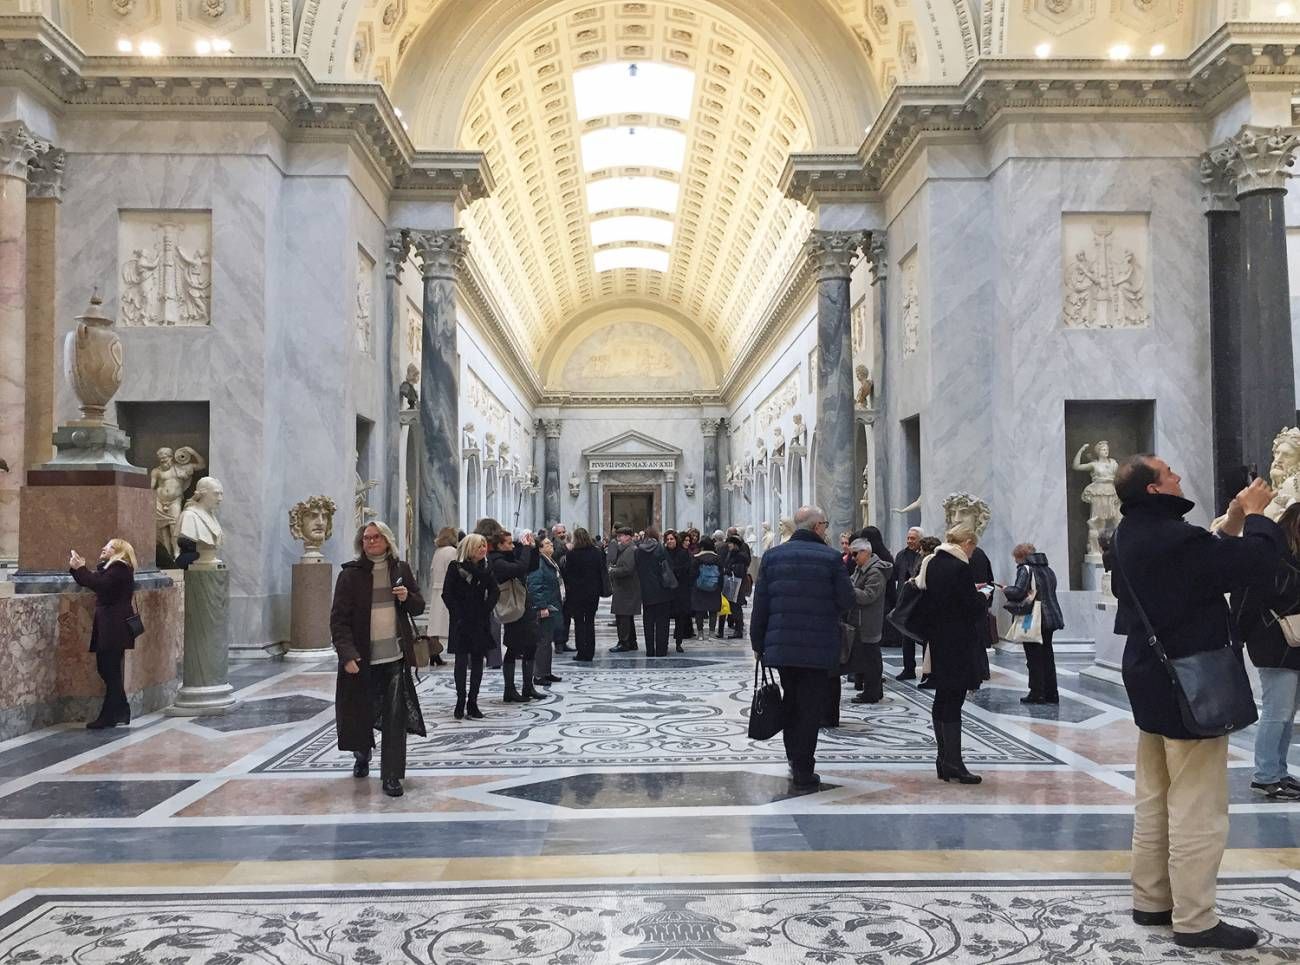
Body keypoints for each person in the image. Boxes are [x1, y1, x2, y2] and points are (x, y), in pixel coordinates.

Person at [1112, 455, 1281, 950]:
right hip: (1189, 680)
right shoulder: (1172, 538)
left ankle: (1152, 901)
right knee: (1198, 806)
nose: (1179, 477)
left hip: (1150, 676)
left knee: (1154, 797)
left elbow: (1203, 563)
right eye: (1168, 474)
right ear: (1153, 490)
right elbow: (1254, 564)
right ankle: (1196, 919)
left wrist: (1229, 524)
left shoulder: (1133, 534)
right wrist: (1257, 518)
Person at [750, 505, 855, 789]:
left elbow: (761, 604)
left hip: (783, 647)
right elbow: (847, 601)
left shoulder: (772, 557)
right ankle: (803, 768)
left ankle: (793, 757)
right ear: (818, 526)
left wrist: (757, 643)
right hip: (818, 646)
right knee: (809, 707)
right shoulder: (832, 559)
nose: (826, 529)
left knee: (792, 699)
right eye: (825, 524)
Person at [330, 521, 426, 798]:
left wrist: (408, 597)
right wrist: (346, 654)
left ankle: (392, 776)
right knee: (359, 714)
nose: (370, 542)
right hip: (361, 658)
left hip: (394, 657)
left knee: (395, 717)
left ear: (387, 540)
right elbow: (339, 620)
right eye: (366, 538)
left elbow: (417, 606)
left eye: (376, 537)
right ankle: (362, 754)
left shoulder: (401, 569)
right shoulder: (350, 575)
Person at [1234, 502, 1300, 800]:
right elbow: (1280, 593)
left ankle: (1279, 771)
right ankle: (1265, 775)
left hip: (1290, 644)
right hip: (1274, 643)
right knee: (1277, 711)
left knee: (1287, 713)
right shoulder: (1275, 559)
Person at [919, 524, 992, 785]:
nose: (973, 552)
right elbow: (970, 607)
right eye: (973, 547)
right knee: (954, 700)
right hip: (958, 642)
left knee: (942, 697)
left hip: (938, 641)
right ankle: (954, 762)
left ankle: (944, 760)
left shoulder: (933, 562)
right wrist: (983, 596)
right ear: (967, 543)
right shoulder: (959, 567)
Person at [68, 539, 139, 729]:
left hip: (114, 626)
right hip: (111, 625)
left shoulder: (119, 568)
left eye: (108, 546)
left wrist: (82, 568)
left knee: (108, 668)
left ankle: (110, 716)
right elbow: (91, 581)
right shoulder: (113, 568)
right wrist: (77, 568)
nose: (103, 548)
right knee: (110, 669)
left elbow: (98, 583)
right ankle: (121, 710)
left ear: (118, 551)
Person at [442, 533, 499, 720]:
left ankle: (473, 701)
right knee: (460, 661)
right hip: (461, 620)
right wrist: (457, 613)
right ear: (469, 549)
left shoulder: (486, 568)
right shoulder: (456, 567)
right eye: (479, 546)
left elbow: (494, 591)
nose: (483, 549)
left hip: (479, 619)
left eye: (484, 546)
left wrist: (486, 609)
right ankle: (460, 700)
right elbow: (447, 594)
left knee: (477, 661)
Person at [1002, 542, 1064, 704]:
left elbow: (1019, 591)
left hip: (1033, 618)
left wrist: (1006, 589)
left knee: (1034, 657)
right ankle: (1052, 693)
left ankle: (1037, 693)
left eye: (1016, 559)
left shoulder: (1026, 569)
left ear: (1022, 557)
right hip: (1051, 617)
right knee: (1047, 656)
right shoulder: (1048, 569)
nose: (1016, 562)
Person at [488, 528, 542, 702]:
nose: (513, 546)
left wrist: (532, 547)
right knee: (514, 647)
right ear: (499, 545)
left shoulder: (509, 555)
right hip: (513, 608)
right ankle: (509, 689)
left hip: (524, 605)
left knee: (531, 644)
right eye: (509, 543)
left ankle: (528, 686)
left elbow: (531, 566)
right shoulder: (496, 561)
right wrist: (525, 549)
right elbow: (519, 568)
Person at [848, 536, 892, 706]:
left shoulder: (875, 571)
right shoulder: (862, 568)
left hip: (868, 621)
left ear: (865, 552)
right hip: (860, 620)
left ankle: (872, 692)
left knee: (872, 659)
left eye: (855, 554)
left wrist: (850, 590)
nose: (853, 558)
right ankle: (872, 690)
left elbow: (869, 596)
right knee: (866, 658)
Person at [562, 527, 606, 662]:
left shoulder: (572, 554)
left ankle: (582, 651)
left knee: (579, 623)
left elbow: (567, 575)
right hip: (592, 593)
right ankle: (590, 651)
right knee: (590, 622)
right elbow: (601, 572)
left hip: (576, 594)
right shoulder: (596, 553)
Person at [527, 537, 564, 686]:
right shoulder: (539, 563)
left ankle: (546, 671)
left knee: (548, 641)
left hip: (552, 604)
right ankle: (538, 674)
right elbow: (535, 586)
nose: (551, 545)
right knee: (542, 641)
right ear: (540, 548)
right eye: (547, 543)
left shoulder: (549, 561)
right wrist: (542, 606)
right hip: (545, 606)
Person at [634, 526, 675, 657]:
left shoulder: (638, 551)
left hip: (647, 591)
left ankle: (650, 650)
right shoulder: (661, 549)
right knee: (663, 622)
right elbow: (669, 567)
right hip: (663, 591)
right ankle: (661, 650)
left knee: (648, 622)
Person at [894, 527, 925, 680]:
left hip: (921, 601)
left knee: (926, 637)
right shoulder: (901, 555)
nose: (909, 541)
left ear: (920, 540)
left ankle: (928, 670)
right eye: (908, 538)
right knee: (906, 637)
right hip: (905, 600)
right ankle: (908, 668)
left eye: (913, 538)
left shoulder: (925, 556)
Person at [426, 527, 460, 660]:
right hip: (447, 589)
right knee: (449, 622)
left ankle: (434, 653)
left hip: (437, 589)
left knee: (436, 624)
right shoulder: (452, 551)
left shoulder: (438, 551)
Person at [608, 527, 641, 652]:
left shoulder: (631, 550)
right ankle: (631, 642)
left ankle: (624, 642)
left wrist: (612, 571)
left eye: (621, 536)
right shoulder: (627, 549)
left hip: (627, 589)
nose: (619, 539)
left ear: (628, 537)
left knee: (623, 617)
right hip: (625, 589)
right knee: (626, 616)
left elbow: (627, 569)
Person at [664, 530, 694, 652]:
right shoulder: (663, 553)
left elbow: (688, 570)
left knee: (680, 618)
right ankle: (663, 642)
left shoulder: (683, 553)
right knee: (664, 618)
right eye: (668, 539)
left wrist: (674, 571)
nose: (670, 541)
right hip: (666, 591)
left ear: (676, 540)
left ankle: (678, 642)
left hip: (681, 590)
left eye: (672, 539)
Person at [691, 535, 723, 638]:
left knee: (699, 611)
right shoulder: (718, 558)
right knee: (713, 611)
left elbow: (692, 574)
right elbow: (721, 574)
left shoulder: (696, 558)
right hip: (714, 588)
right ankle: (712, 633)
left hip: (699, 588)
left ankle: (700, 633)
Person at [722, 533, 751, 639]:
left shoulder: (739, 556)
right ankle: (737, 629)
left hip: (737, 585)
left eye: (730, 543)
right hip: (734, 584)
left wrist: (729, 570)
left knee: (736, 608)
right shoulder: (732, 554)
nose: (729, 545)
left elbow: (738, 571)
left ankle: (738, 630)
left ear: (735, 545)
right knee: (735, 607)